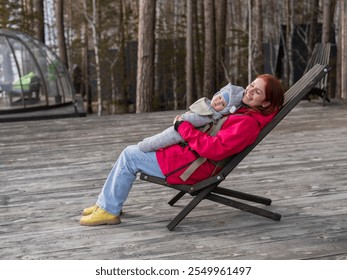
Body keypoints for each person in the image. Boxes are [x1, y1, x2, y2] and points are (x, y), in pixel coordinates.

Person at [79, 74, 284, 226]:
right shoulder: (245, 110)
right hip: (187, 157)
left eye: (257, 92)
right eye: (251, 85)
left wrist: (183, 127)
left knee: (130, 155)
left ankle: (108, 210)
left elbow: (214, 149)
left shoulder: (247, 123)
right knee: (131, 152)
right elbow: (228, 96)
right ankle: (106, 204)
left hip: (190, 167)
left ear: (266, 102)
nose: (249, 91)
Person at [137, 83, 244, 152]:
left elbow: (196, 119)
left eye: (223, 104)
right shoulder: (209, 105)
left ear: (225, 110)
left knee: (164, 138)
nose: (218, 101)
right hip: (182, 128)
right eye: (219, 97)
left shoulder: (210, 115)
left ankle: (145, 146)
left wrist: (183, 119)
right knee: (162, 136)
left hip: (182, 133)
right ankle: (149, 142)